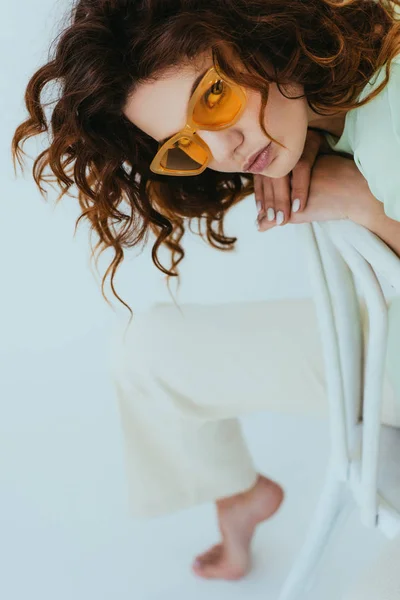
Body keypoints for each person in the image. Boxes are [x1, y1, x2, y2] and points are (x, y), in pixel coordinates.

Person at [11, 0, 400, 583]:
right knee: (142, 349)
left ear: (262, 28)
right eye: (186, 146)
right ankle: (236, 494)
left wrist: (365, 202)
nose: (225, 153)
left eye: (213, 98)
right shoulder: (340, 92)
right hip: (382, 345)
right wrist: (321, 135)